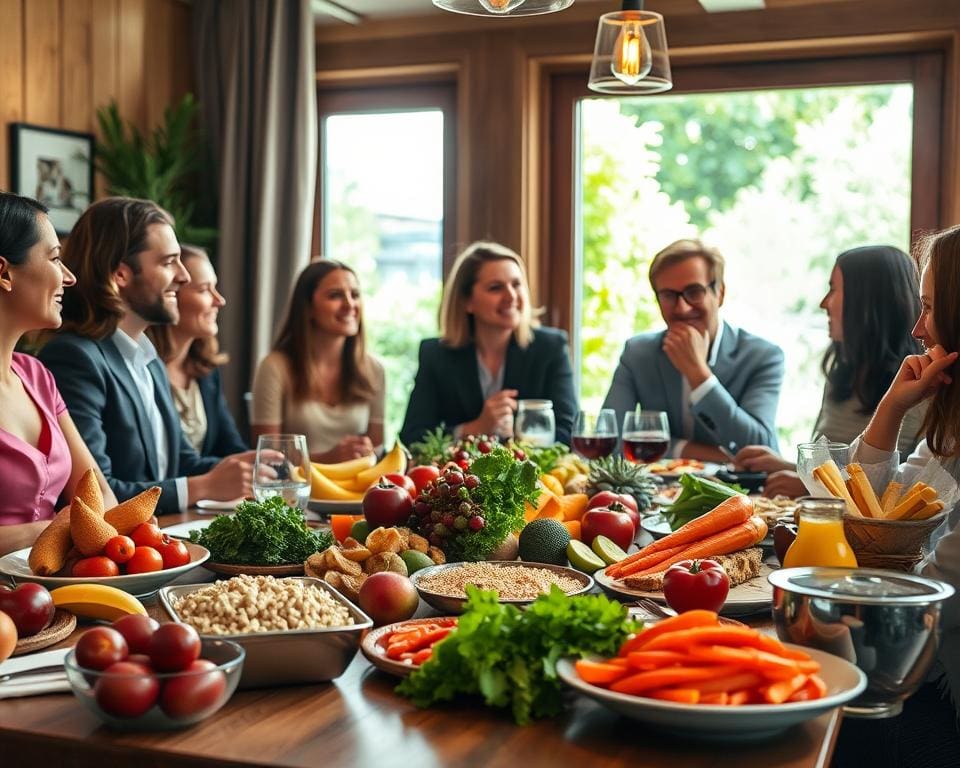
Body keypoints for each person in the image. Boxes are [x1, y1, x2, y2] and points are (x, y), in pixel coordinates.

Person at [830, 225, 960, 767]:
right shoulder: (951, 431)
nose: (917, 328)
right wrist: (891, 408)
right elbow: (875, 514)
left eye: (929, 308)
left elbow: (934, 590)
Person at [38, 197, 254, 516]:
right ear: (121, 274)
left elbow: (180, 461)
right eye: (169, 262)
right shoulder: (74, 357)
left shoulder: (149, 359)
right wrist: (204, 486)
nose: (182, 277)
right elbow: (95, 493)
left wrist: (246, 467)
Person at [735, 245, 927, 497]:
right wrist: (784, 466)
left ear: (866, 301)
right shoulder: (843, 375)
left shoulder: (922, 389)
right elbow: (842, 470)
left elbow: (904, 491)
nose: (823, 303)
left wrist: (811, 487)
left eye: (833, 289)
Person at [0, 192, 116, 554]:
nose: (68, 278)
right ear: (4, 273)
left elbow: (101, 494)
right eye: (54, 258)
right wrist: (62, 528)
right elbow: (94, 519)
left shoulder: (37, 376)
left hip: (58, 586)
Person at [602, 238, 784, 463]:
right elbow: (609, 442)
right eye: (669, 295)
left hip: (741, 494)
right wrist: (691, 451)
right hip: (658, 493)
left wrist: (699, 374)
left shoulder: (762, 356)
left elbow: (760, 448)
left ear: (720, 294)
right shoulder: (638, 353)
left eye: (694, 291)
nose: (682, 307)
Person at [400, 240, 577, 447]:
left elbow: (569, 431)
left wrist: (521, 436)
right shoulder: (436, 354)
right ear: (467, 301)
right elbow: (412, 437)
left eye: (516, 284)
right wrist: (472, 429)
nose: (511, 296)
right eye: (495, 288)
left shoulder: (551, 347)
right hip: (459, 476)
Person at [251, 260, 384, 462]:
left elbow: (377, 448)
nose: (350, 305)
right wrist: (328, 458)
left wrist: (368, 451)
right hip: (294, 490)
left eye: (355, 295)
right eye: (335, 295)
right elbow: (267, 457)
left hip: (356, 489)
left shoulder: (374, 369)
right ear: (308, 307)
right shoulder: (274, 367)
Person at [146, 245, 247, 459]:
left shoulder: (205, 371)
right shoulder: (141, 370)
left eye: (215, 287)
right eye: (203, 290)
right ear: (170, 296)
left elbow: (232, 449)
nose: (219, 300)